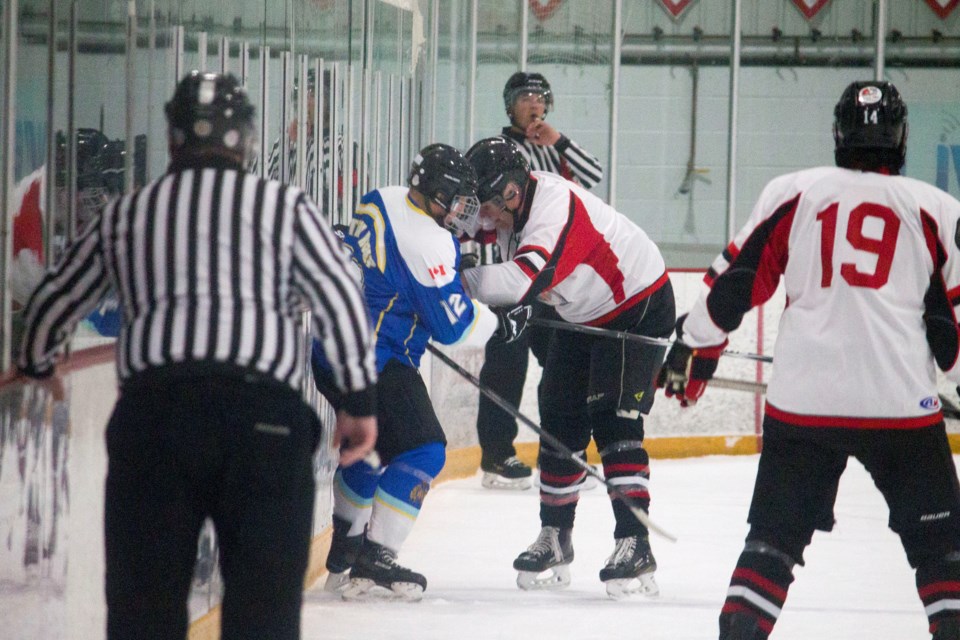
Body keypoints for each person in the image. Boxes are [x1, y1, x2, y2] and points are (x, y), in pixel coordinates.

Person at [8, 70, 378, 640]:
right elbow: (340, 299)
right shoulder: (286, 206)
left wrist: (36, 362)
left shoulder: (130, 212)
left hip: (157, 424)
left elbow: (51, 303)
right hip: (266, 428)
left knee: (144, 614)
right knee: (264, 618)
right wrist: (358, 402)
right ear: (247, 138)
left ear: (173, 138)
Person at [656, 80, 960, 640]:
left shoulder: (796, 191)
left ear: (838, 134)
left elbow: (733, 287)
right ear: (902, 138)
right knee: (945, 558)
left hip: (803, 407)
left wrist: (693, 350)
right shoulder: (938, 209)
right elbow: (951, 332)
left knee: (770, 547)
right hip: (901, 410)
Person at [312, 143, 528, 601]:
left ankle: (344, 550)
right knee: (425, 450)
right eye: (461, 200)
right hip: (372, 356)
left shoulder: (384, 196)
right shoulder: (428, 242)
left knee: (372, 451)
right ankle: (376, 557)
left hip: (329, 350)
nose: (466, 210)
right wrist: (501, 324)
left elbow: (391, 273)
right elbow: (452, 327)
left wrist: (448, 273)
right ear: (438, 193)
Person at [461, 137, 675, 598]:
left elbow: (519, 280)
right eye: (487, 203)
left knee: (613, 418)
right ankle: (556, 536)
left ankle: (634, 541)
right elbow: (454, 236)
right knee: (559, 413)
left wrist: (450, 285)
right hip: (582, 311)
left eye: (503, 200)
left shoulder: (554, 209)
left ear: (519, 185)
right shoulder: (501, 203)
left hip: (637, 302)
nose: (493, 213)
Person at [474, 70, 605, 489]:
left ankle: (570, 452)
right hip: (514, 279)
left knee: (567, 370)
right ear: (509, 105)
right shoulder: (498, 153)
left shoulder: (553, 149)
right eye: (525, 97)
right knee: (505, 368)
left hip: (551, 283)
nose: (534, 104)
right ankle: (496, 456)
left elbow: (594, 176)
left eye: (540, 97)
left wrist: (559, 141)